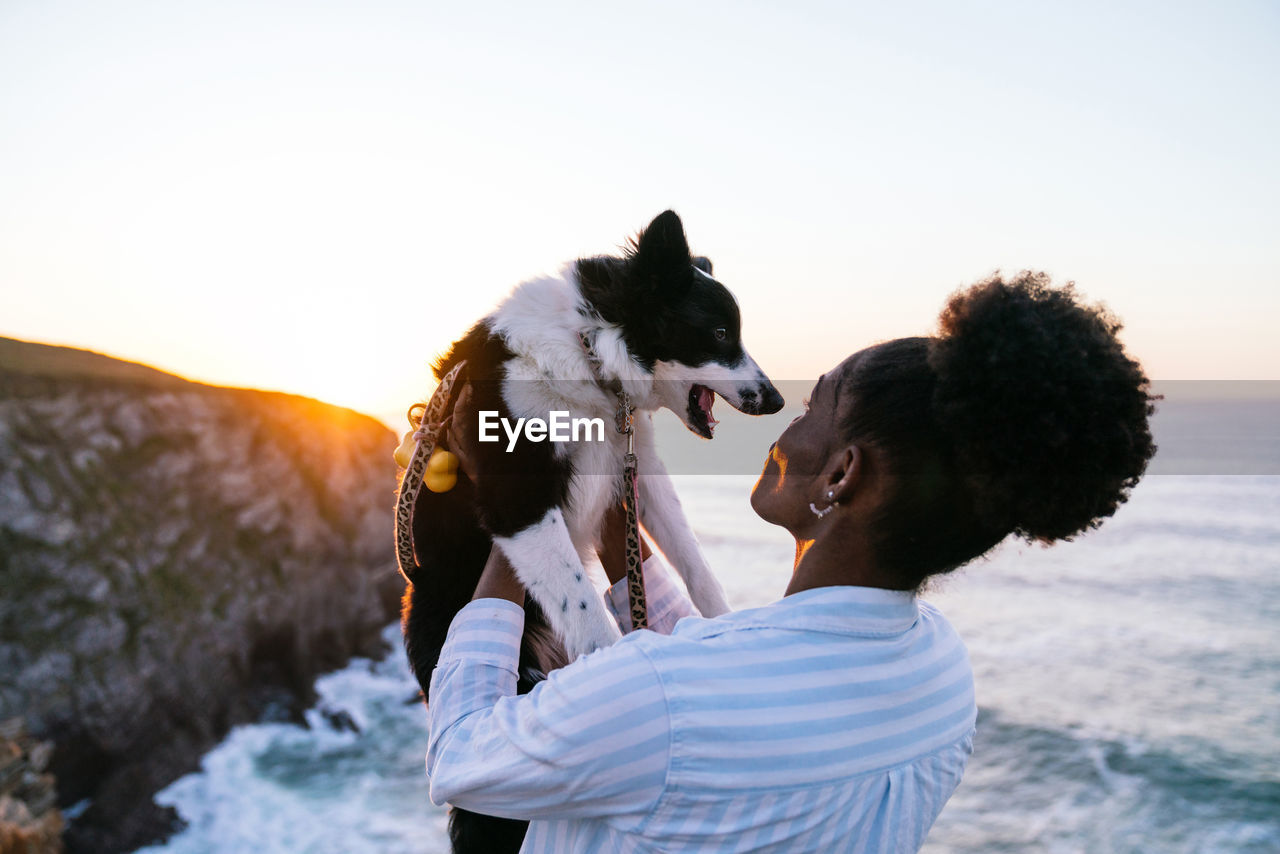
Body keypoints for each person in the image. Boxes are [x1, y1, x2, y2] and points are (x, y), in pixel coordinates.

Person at [424, 272, 1157, 853]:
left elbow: (463, 759)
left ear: (841, 474)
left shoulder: (658, 701)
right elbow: (720, 677)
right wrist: (616, 523)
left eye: (812, 409)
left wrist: (515, 506)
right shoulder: (941, 675)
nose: (785, 423)